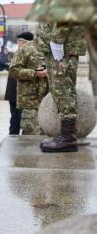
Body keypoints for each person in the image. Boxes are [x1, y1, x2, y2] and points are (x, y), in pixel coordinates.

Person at [31, 7, 88, 152]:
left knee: (62, 90)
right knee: (63, 88)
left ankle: (68, 137)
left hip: (61, 46)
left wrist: (57, 41)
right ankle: (68, 134)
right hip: (61, 45)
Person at [28, 0, 95, 104]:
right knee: (61, 85)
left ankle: (67, 118)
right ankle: (66, 115)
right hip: (60, 46)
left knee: (61, 85)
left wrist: (57, 42)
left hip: (64, 47)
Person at [9, 32, 48, 135]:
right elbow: (13, 71)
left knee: (48, 137)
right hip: (30, 102)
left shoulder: (56, 49)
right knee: (32, 136)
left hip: (50, 102)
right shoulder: (26, 48)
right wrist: (35, 73)